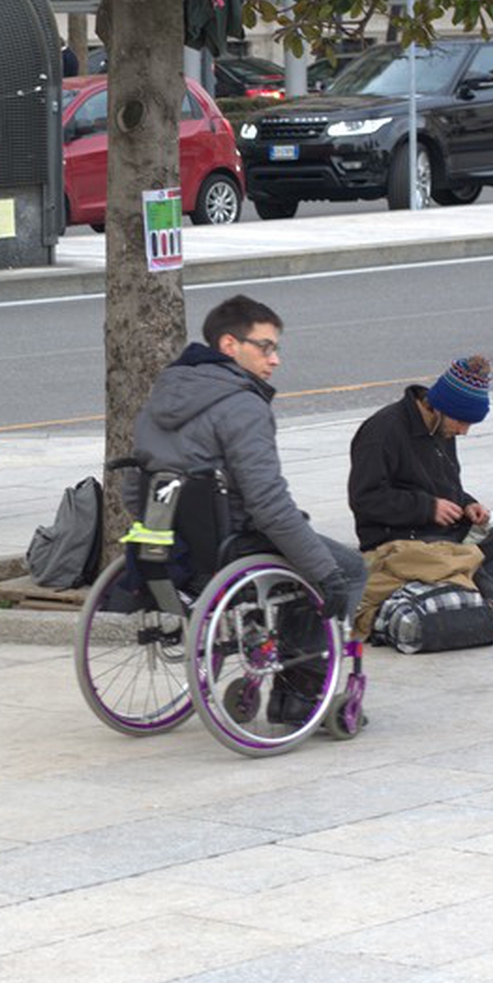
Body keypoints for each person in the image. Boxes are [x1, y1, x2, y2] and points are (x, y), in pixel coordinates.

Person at [130, 294, 366, 724]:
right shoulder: (243, 405)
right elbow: (268, 503)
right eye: (266, 346)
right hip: (235, 543)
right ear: (228, 346)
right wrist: (322, 571)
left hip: (174, 545)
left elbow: (136, 484)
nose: (275, 360)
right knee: (346, 568)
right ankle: (299, 696)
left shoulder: (160, 398)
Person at [347, 356, 493, 615]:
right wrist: (428, 508)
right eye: (461, 422)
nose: (464, 431)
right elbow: (365, 498)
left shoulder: (442, 428)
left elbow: (444, 485)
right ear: (438, 407)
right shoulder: (382, 431)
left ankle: (465, 594)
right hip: (402, 540)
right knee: (455, 559)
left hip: (445, 534)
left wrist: (467, 504)